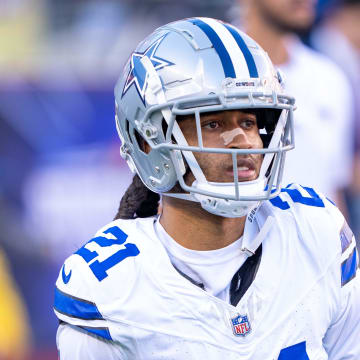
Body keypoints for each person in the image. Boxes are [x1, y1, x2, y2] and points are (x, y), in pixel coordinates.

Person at [53, 18, 360, 359]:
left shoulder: (313, 232)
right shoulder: (110, 287)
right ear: (148, 142)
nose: (243, 140)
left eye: (249, 121)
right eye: (213, 123)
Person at [237, 0, 354, 216]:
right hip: (240, 246)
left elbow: (332, 191)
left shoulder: (330, 78)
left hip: (316, 248)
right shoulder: (207, 73)